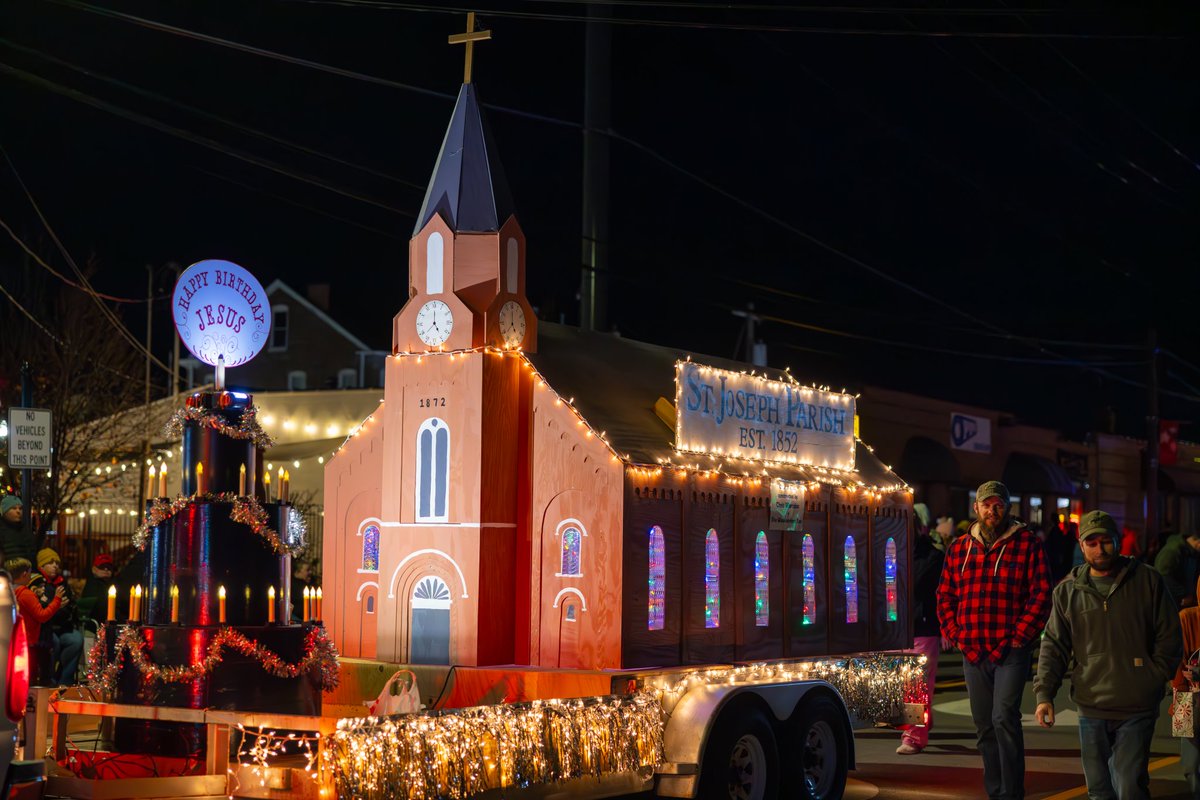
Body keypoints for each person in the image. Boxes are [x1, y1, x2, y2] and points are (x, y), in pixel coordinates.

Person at [1035, 510, 1181, 800]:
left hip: (1137, 705)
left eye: (1106, 541)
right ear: (1081, 545)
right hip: (1091, 704)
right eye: (1092, 542)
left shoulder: (1147, 581)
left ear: (1118, 541)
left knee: (1129, 785)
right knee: (1099, 790)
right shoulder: (1067, 591)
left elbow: (1170, 634)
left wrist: (1153, 677)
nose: (1100, 549)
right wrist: (1044, 695)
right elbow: (1054, 645)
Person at [937, 480, 1052, 800]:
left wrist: (1020, 635)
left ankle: (1012, 792)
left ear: (1007, 507)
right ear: (976, 508)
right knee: (984, 726)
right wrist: (956, 635)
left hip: (1011, 650)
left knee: (1004, 718)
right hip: (973, 649)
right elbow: (945, 595)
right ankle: (995, 791)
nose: (992, 509)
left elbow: (1042, 593)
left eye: (998, 503)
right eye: (986, 504)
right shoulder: (960, 547)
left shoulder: (1027, 544)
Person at [897, 516, 947, 755]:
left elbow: (943, 595)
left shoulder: (933, 558)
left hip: (923, 629)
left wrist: (946, 627)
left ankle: (914, 736)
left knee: (915, 686)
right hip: (897, 630)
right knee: (906, 686)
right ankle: (921, 722)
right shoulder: (889, 553)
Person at [5, 557, 64, 691]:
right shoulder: (26, 594)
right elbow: (42, 616)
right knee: (30, 675)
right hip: (28, 640)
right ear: (25, 574)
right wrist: (57, 600)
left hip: (12, 639)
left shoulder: (7, 591)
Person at [35, 547, 84, 686]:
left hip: (62, 625)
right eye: (51, 562)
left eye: (57, 562)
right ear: (42, 565)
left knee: (76, 640)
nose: (55, 565)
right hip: (44, 628)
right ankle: (49, 679)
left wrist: (63, 608)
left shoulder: (62, 583)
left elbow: (69, 606)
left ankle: (65, 680)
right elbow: (41, 608)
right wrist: (56, 606)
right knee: (53, 642)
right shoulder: (38, 584)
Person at [1172, 573, 1200, 797]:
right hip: (1187, 695)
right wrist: (1179, 710)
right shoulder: (1188, 618)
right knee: (1190, 767)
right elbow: (1178, 666)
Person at [1156, 530, 1200, 608]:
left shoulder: (1190, 552)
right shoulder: (1173, 551)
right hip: (1172, 604)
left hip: (1179, 602)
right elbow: (1163, 576)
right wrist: (1184, 594)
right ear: (1198, 543)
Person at [77, 553, 117, 624]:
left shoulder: (113, 584)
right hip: (95, 625)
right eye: (102, 566)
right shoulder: (92, 585)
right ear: (94, 569)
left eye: (109, 567)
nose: (106, 569)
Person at [0, 495, 36, 565]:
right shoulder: (2, 531)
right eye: (14, 508)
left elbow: (32, 553)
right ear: (5, 511)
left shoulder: (25, 531)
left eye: (20, 508)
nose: (18, 511)